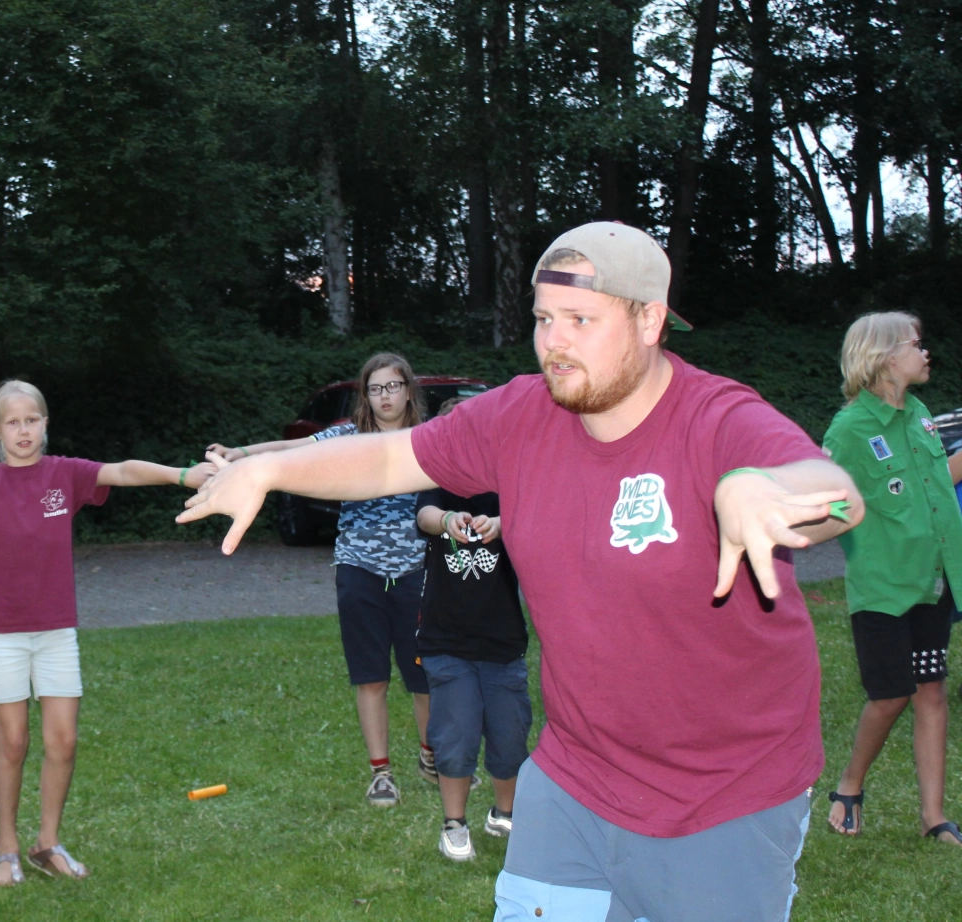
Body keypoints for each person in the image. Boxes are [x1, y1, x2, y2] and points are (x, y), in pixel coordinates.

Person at [179, 224, 863, 922]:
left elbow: (835, 489)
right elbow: (390, 459)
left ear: (650, 321)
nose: (553, 342)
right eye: (542, 318)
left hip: (723, 795)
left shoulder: (716, 417)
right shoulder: (519, 415)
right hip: (575, 779)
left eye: (580, 320)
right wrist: (268, 469)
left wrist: (762, 491)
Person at [0, 379, 217, 887]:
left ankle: (47, 843)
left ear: (45, 424)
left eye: (31, 420)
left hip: (56, 631)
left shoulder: (65, 475)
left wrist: (183, 474)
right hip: (2, 632)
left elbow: (124, 470)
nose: (23, 430)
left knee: (63, 742)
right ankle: (5, 847)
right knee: (14, 741)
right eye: (12, 422)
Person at [208, 353, 433, 807]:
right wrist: (244, 456)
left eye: (393, 386)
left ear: (409, 389)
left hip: (416, 571)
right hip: (358, 569)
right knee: (370, 676)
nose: (385, 396)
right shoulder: (348, 436)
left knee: (424, 675)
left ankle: (432, 755)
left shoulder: (426, 438)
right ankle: (381, 773)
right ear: (365, 396)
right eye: (375, 388)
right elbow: (295, 449)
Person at [820, 312, 962, 846]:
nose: (925, 353)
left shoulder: (920, 414)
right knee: (890, 694)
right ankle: (848, 786)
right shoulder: (850, 430)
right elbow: (827, 500)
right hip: (882, 589)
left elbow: (936, 482)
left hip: (931, 582)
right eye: (915, 344)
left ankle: (934, 816)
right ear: (883, 357)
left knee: (931, 691)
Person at [414, 396, 530, 863]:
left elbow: (538, 521)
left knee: (508, 735)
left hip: (502, 642)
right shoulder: (437, 483)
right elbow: (423, 517)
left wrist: (506, 524)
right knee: (456, 733)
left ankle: (504, 815)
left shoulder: (510, 483)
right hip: (447, 641)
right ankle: (454, 823)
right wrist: (447, 521)